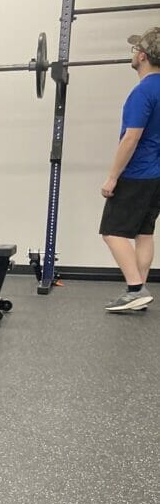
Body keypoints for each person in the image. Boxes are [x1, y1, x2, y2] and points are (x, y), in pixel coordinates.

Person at [99, 27, 160, 312]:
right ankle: (139, 291)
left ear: (143, 56)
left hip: (138, 173)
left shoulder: (142, 92)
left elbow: (131, 138)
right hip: (157, 175)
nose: (133, 53)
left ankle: (135, 289)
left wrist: (113, 177)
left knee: (112, 231)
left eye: (135, 49)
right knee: (144, 233)